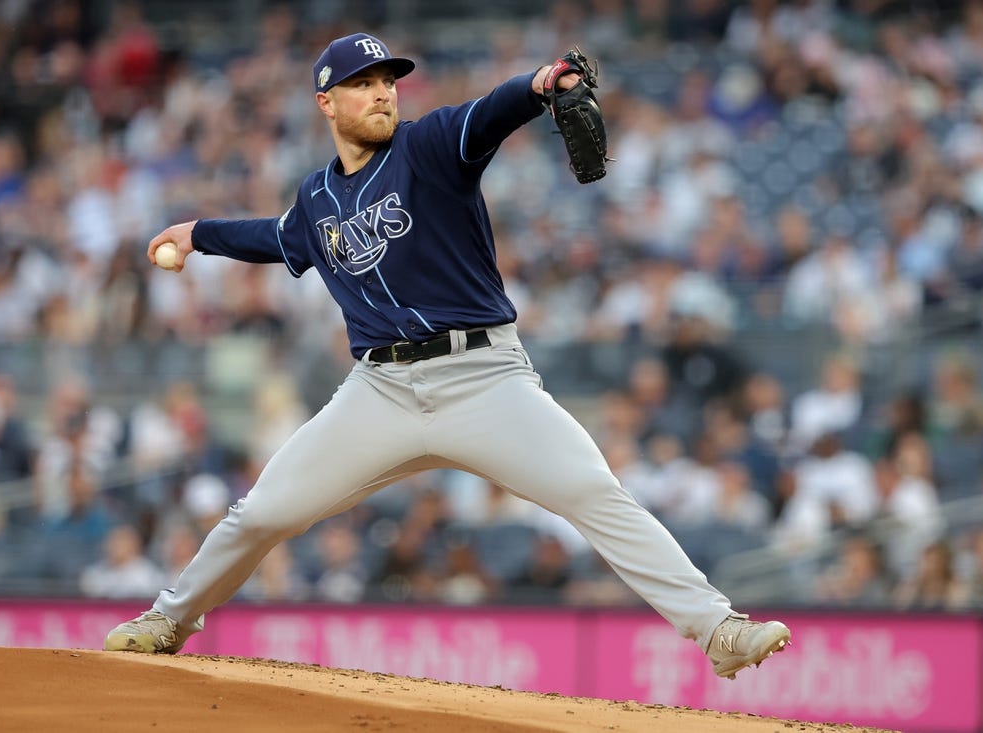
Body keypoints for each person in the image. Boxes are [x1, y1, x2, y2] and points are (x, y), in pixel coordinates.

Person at [103, 32, 791, 680]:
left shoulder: (429, 147)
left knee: (592, 490)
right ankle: (168, 619)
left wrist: (541, 83)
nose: (381, 92)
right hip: (379, 392)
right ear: (326, 103)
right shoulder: (316, 199)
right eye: (362, 82)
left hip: (483, 379)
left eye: (387, 80)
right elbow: (271, 235)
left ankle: (717, 629)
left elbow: (489, 113)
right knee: (260, 514)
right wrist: (198, 233)